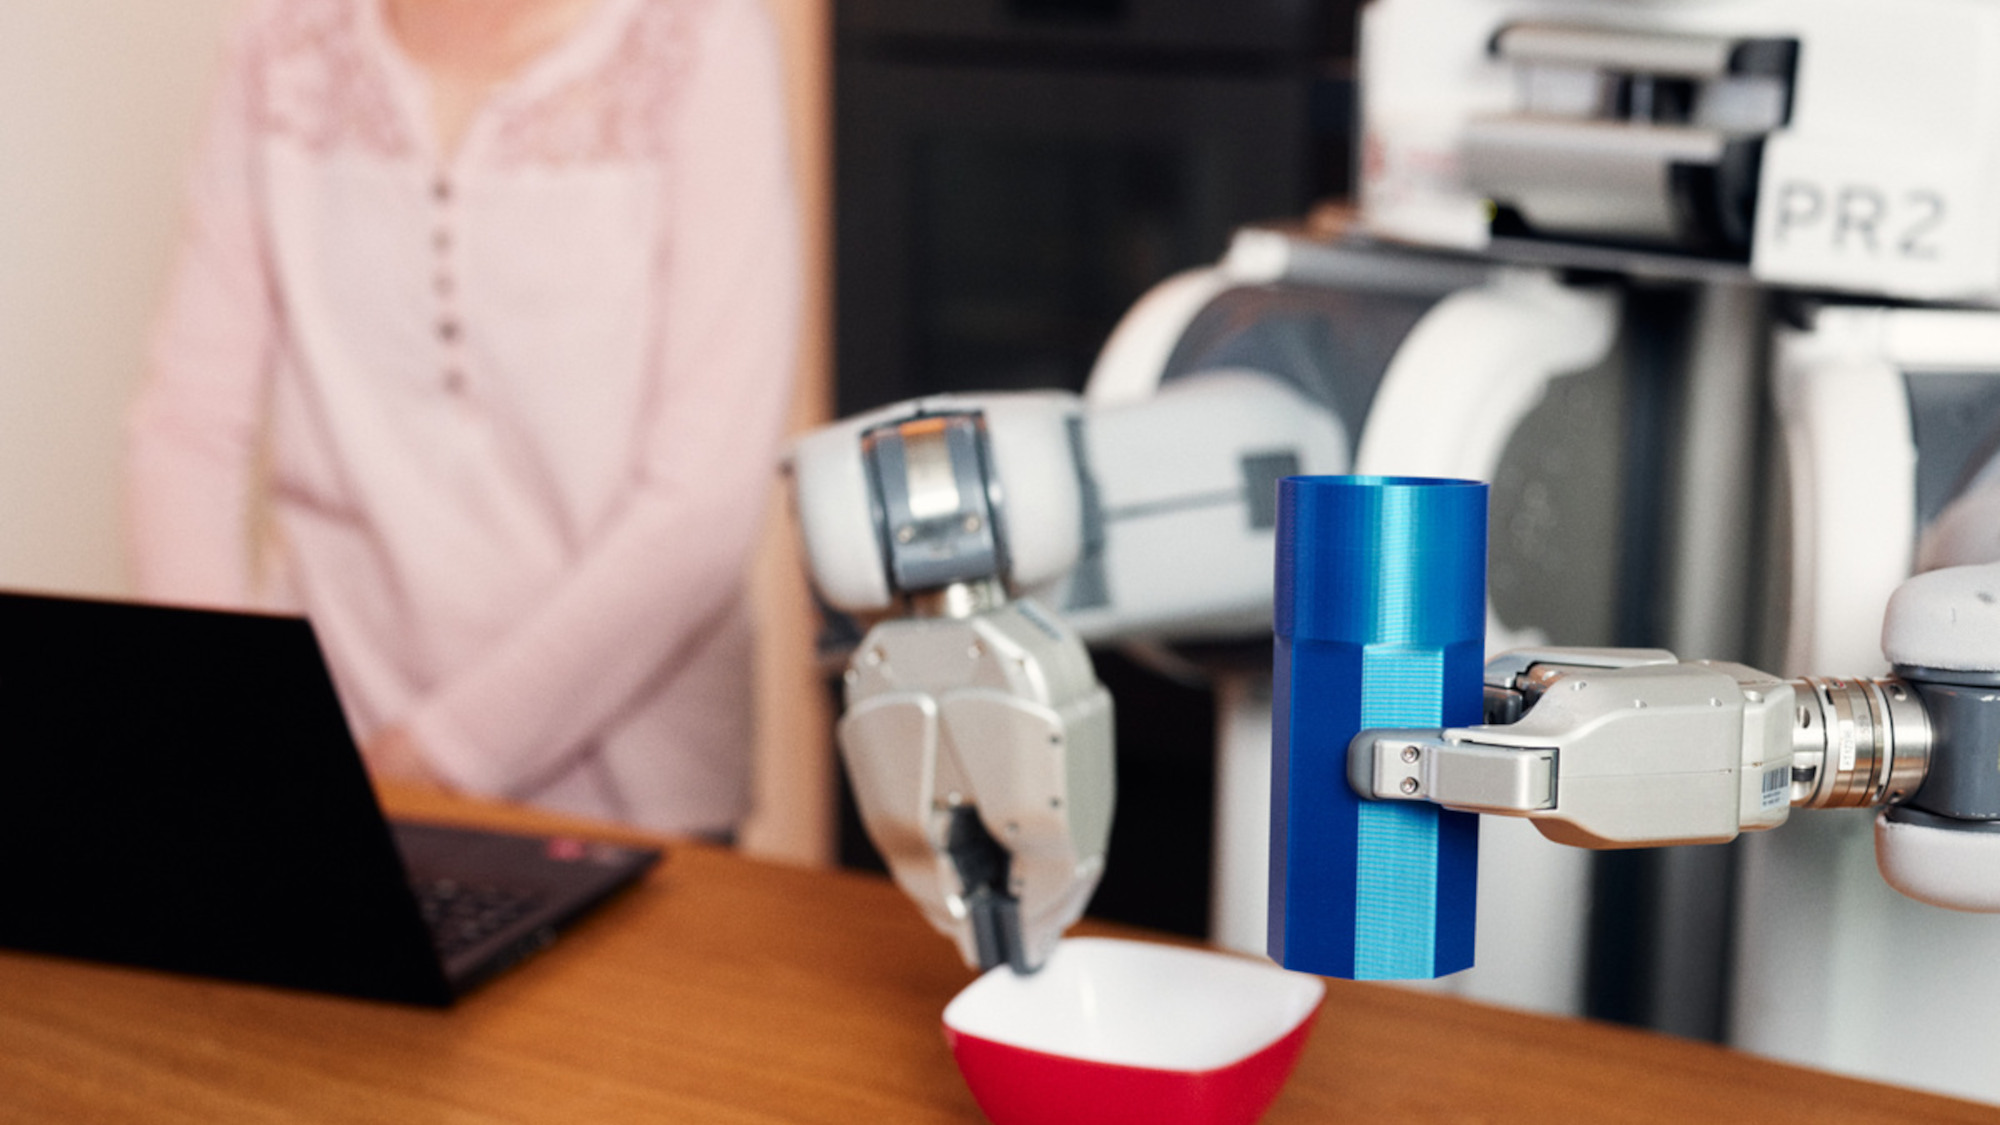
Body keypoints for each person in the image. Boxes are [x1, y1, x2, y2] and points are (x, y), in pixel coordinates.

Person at [126, 0, 802, 837]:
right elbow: (187, 431)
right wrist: (235, 731)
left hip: (634, 800)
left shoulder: (697, 37)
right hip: (330, 746)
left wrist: (434, 759)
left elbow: (703, 501)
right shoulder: (281, 42)